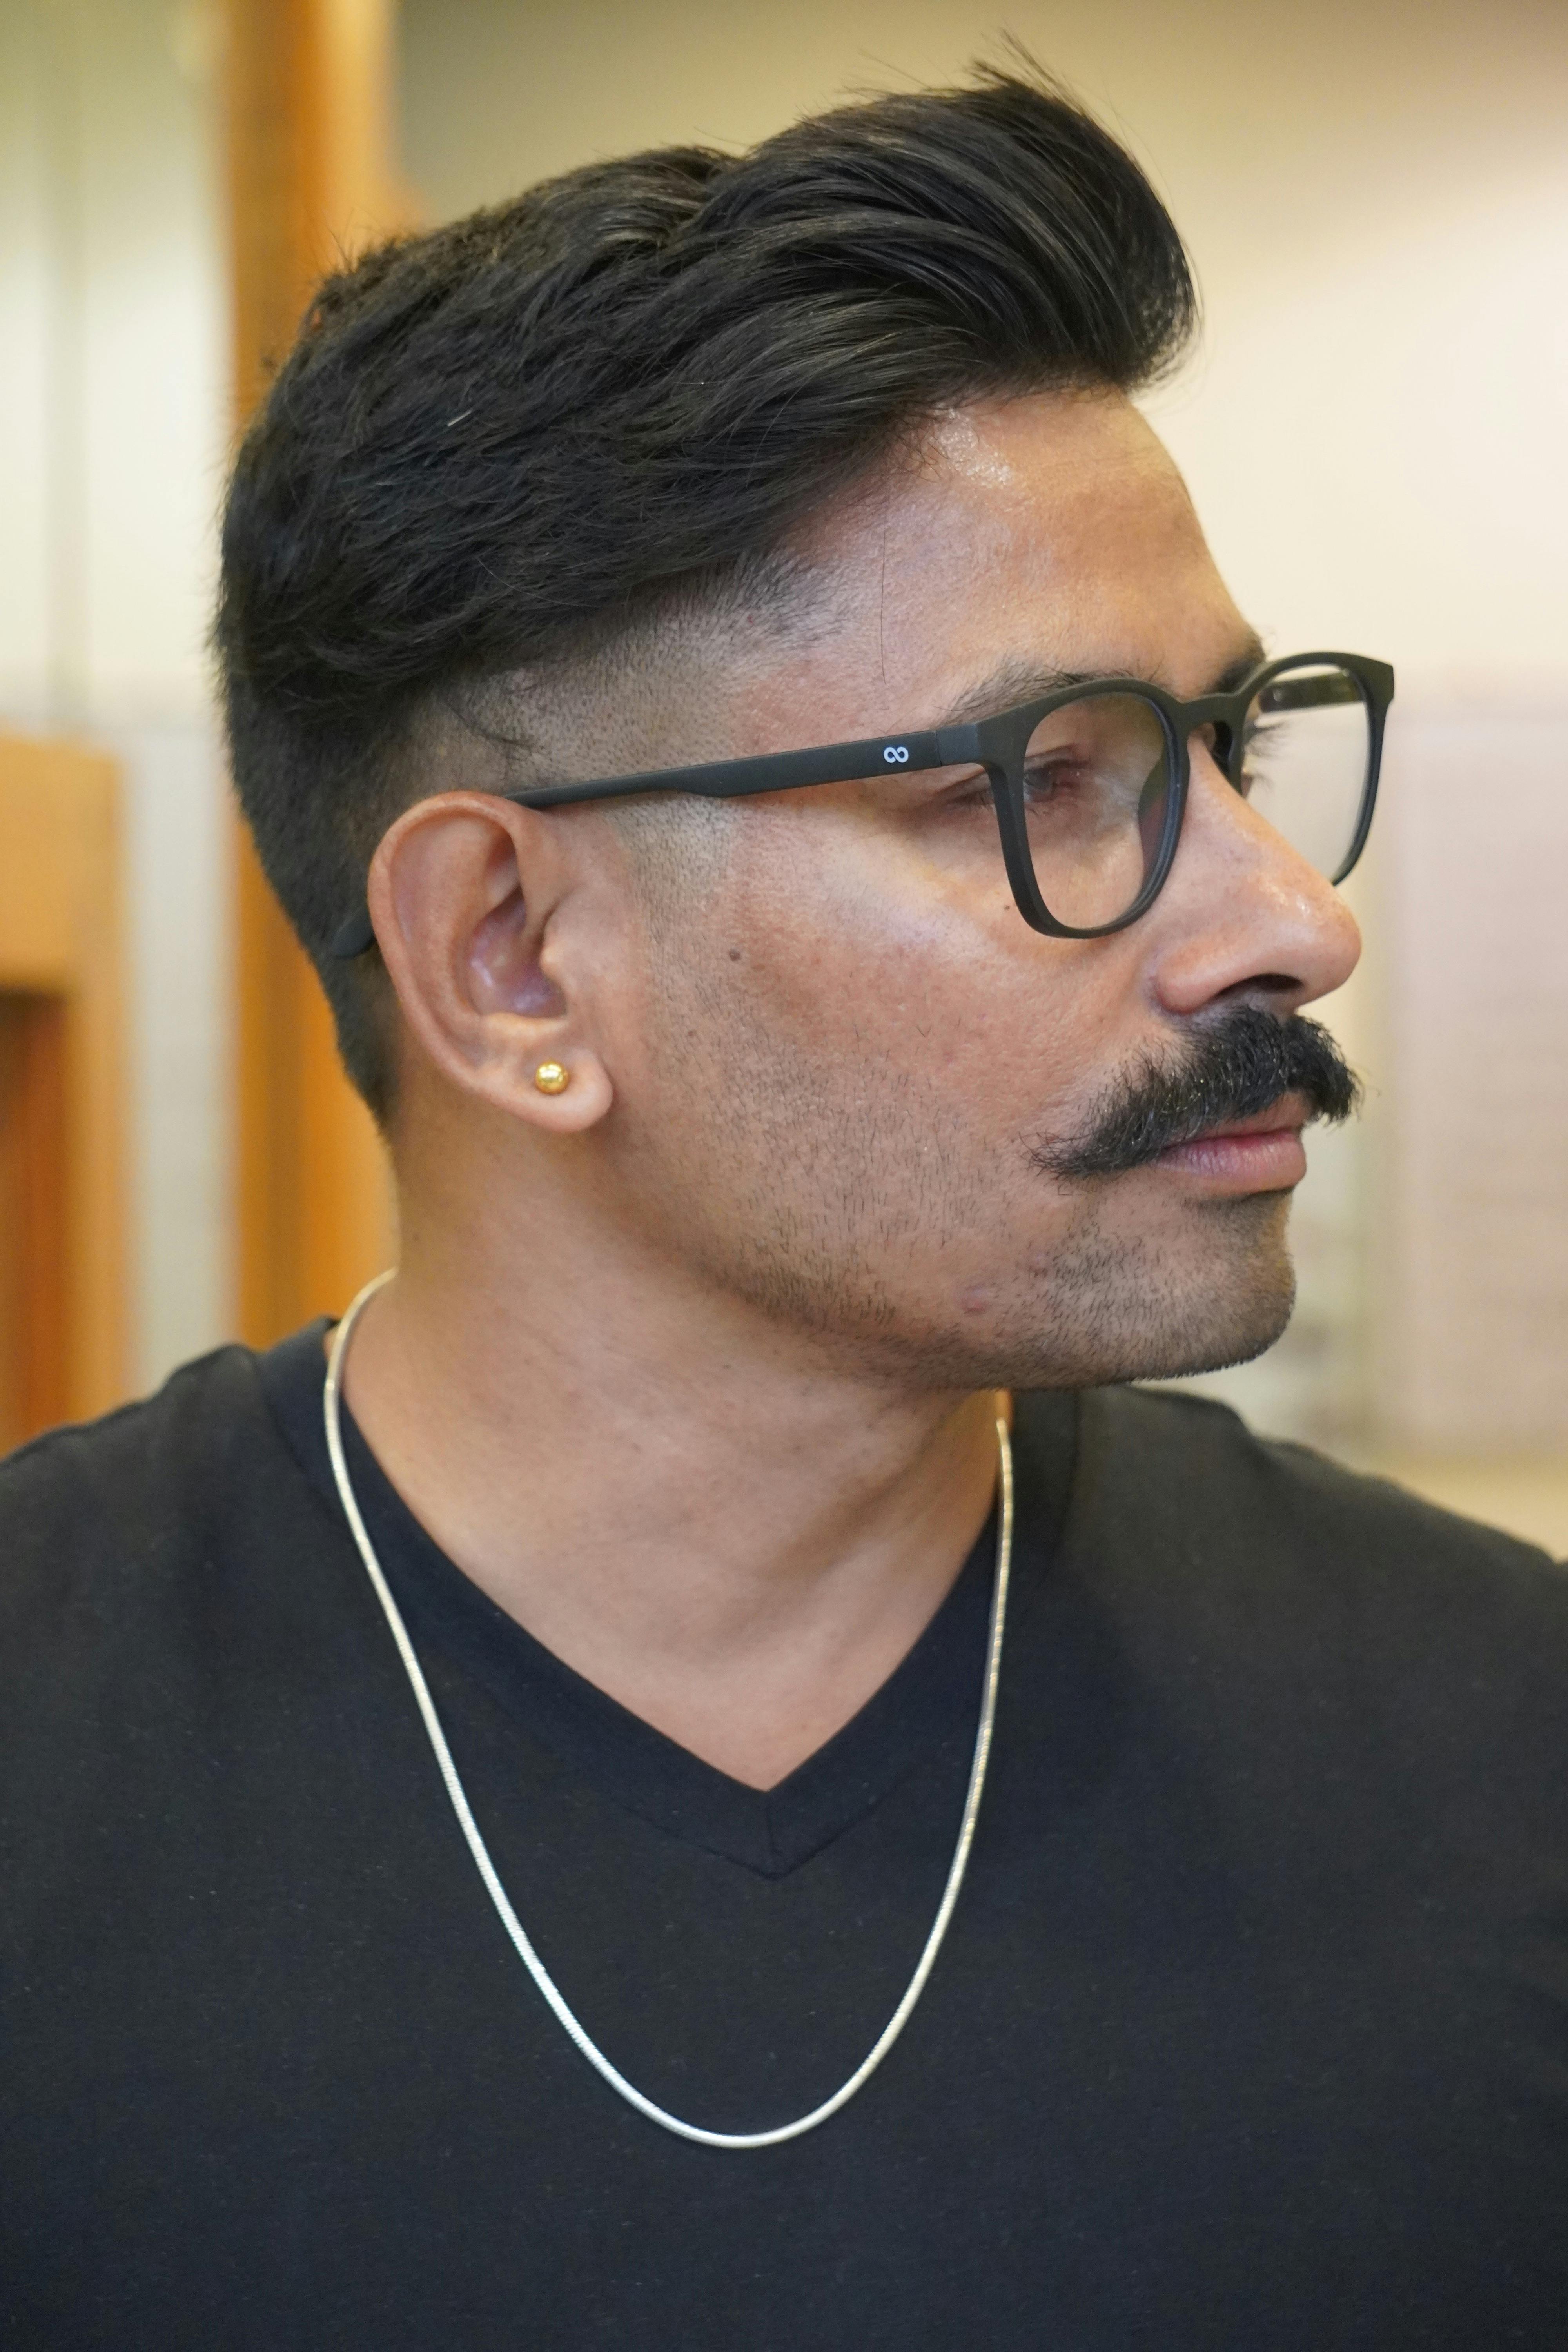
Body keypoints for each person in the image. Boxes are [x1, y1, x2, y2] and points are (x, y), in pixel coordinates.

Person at [2, 65, 1563, 2352]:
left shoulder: (1497, 1742)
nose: (1291, 923)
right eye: (1049, 780)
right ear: (511, 959)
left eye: (1230, 753)